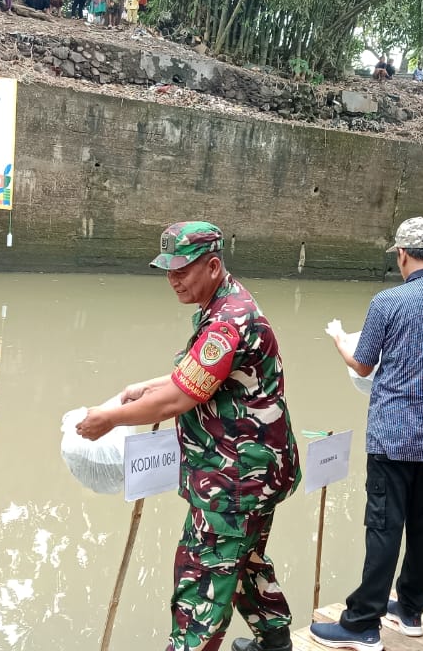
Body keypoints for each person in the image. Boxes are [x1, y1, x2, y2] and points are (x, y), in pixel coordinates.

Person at [75, 221, 301, 651]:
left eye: (182, 270)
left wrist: (110, 419)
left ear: (213, 266)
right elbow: (198, 375)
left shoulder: (226, 323)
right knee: (245, 561)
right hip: (257, 472)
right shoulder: (225, 305)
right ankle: (275, 643)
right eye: (168, 271)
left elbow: (178, 399)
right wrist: (147, 386)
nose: (173, 280)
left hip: (235, 479)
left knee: (202, 579)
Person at [310, 218, 423, 651]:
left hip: (393, 437)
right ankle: (410, 610)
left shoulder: (388, 302)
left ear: (402, 255)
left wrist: (339, 342)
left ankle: (362, 623)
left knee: (384, 527)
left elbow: (363, 364)